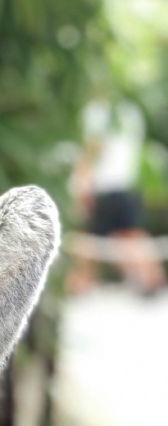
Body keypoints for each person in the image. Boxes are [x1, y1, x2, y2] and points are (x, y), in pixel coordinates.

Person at [68, 94, 164, 295]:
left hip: (107, 189)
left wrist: (81, 187)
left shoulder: (98, 112)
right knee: (124, 237)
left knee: (91, 243)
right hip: (124, 187)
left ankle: (78, 287)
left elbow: (92, 149)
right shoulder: (130, 112)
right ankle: (152, 279)